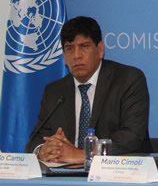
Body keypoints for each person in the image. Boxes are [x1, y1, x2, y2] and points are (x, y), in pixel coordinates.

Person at [26, 16, 151, 162]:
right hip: (66, 175)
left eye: (84, 46)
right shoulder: (54, 91)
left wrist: (82, 155)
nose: (77, 55)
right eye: (70, 49)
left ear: (100, 50)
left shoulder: (128, 80)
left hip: (119, 175)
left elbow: (132, 136)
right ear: (64, 57)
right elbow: (35, 140)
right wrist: (43, 150)